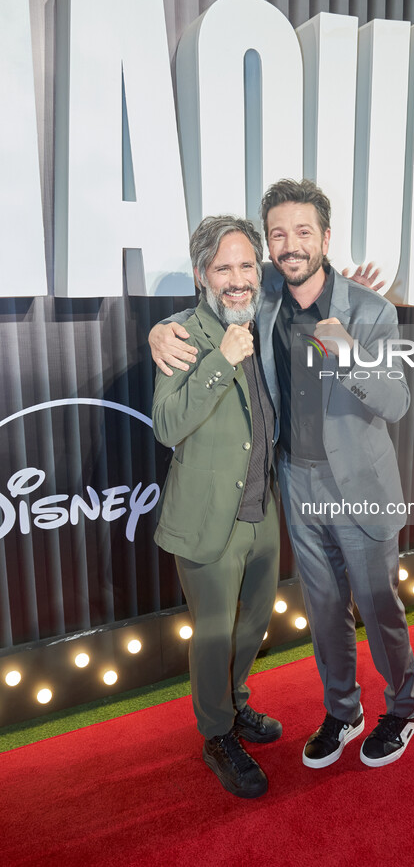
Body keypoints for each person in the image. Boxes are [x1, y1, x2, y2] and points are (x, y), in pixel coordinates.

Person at [150, 179, 414, 771]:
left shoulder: (372, 310)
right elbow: (217, 294)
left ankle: (403, 707)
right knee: (324, 610)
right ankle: (343, 710)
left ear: (326, 237)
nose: (290, 244)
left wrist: (349, 353)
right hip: (296, 482)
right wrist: (159, 330)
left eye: (304, 231)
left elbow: (397, 402)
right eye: (279, 234)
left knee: (378, 605)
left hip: (363, 489)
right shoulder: (267, 297)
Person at [152, 215, 282, 800]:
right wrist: (221, 360)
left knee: (253, 624)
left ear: (260, 271)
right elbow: (166, 424)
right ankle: (216, 734)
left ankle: (236, 704)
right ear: (203, 273)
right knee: (212, 634)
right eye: (223, 267)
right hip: (209, 518)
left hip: (262, 510)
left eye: (246, 265)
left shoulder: (268, 318)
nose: (236, 279)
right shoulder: (182, 334)